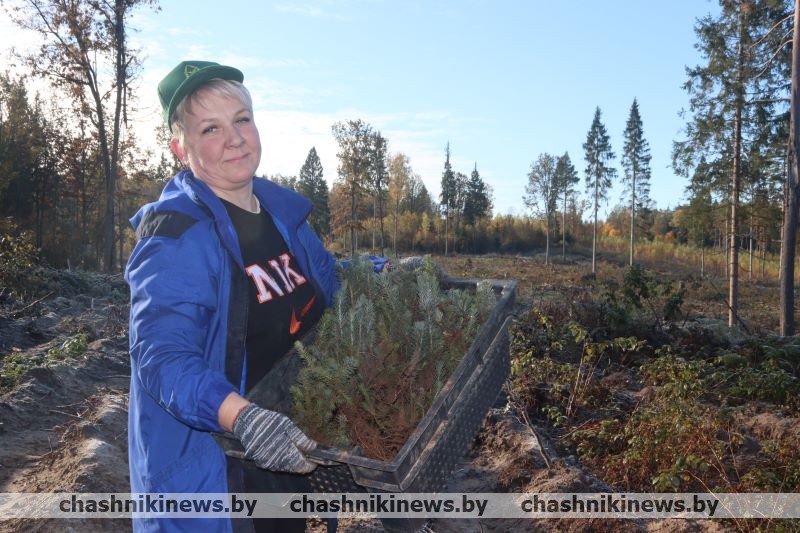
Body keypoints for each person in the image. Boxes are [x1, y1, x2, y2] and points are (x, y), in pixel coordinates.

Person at [125, 60, 339, 532]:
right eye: (211, 128)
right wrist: (244, 419)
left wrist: (394, 275)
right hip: (217, 479)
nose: (235, 138)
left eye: (242, 119)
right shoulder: (175, 238)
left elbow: (328, 280)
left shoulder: (285, 217)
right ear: (181, 147)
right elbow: (161, 358)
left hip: (284, 457)